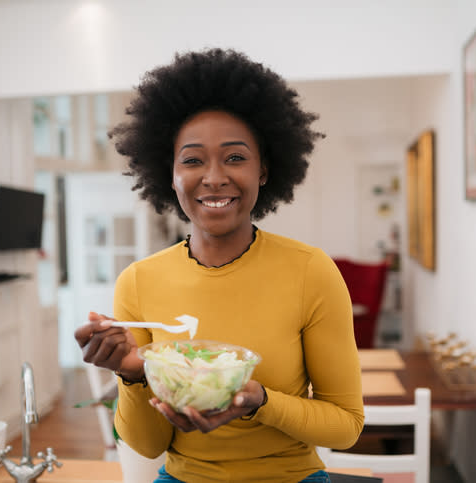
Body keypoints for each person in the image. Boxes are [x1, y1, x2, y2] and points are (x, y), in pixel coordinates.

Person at [74, 48, 364, 483]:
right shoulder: (138, 281)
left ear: (264, 169)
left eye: (235, 157)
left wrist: (259, 401)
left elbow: (345, 426)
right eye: (192, 160)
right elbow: (148, 445)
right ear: (169, 174)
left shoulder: (311, 271)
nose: (213, 177)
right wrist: (132, 374)